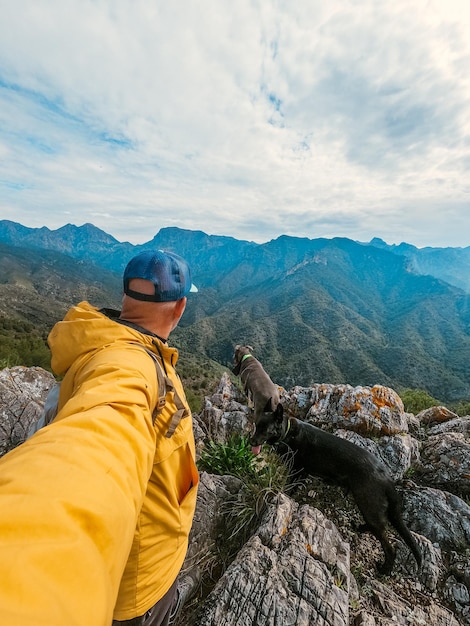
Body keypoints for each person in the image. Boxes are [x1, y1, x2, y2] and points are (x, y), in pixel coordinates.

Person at [0, 249, 200, 626]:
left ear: (126, 295)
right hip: (136, 591)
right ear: (180, 308)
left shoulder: (126, 348)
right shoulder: (128, 368)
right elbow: (95, 448)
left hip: (151, 556)